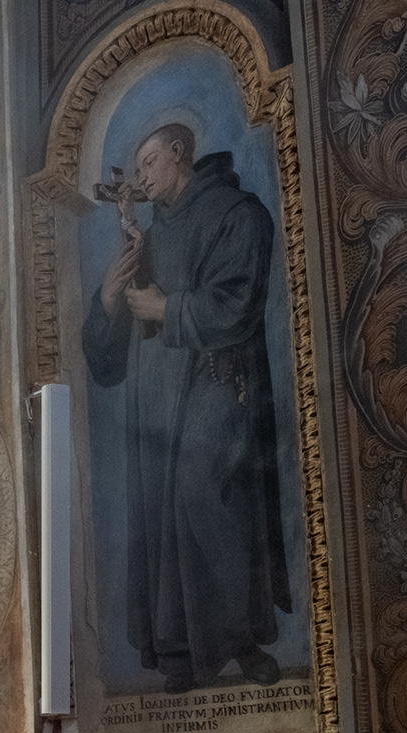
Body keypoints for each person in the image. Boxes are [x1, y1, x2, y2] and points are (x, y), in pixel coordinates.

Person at [82, 122, 290, 693]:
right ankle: (177, 648)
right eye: (137, 168)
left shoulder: (237, 215)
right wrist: (109, 302)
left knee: (204, 496)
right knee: (158, 513)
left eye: (148, 162)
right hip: (153, 398)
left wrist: (169, 309)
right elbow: (108, 360)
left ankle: (240, 637)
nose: (141, 177)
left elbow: (238, 302)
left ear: (179, 154)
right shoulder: (148, 238)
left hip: (216, 384)